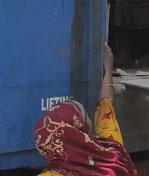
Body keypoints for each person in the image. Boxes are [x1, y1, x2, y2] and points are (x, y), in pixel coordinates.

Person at [35, 44, 137, 176]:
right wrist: (108, 69)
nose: (89, 119)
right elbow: (105, 107)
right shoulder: (112, 154)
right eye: (85, 115)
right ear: (78, 129)